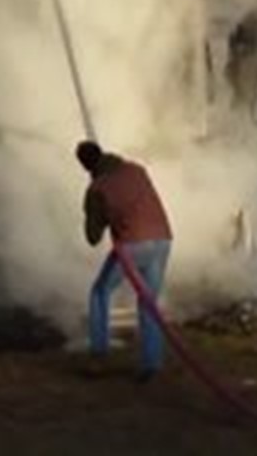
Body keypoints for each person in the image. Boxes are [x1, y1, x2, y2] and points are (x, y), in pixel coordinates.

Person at [77, 139, 174, 379]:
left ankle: (98, 355)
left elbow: (93, 237)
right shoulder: (136, 170)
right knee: (148, 301)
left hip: (132, 244)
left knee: (100, 292)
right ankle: (152, 364)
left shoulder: (98, 188)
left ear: (84, 166)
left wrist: (94, 208)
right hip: (162, 239)